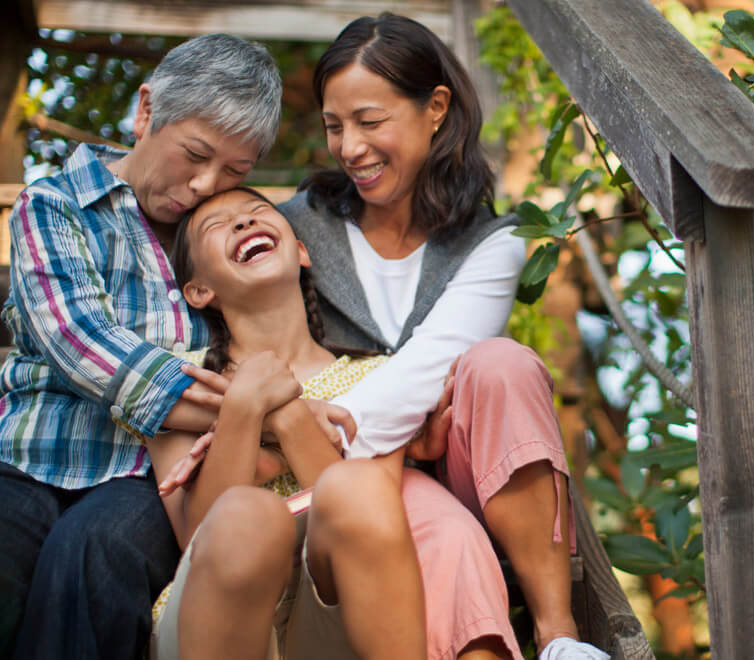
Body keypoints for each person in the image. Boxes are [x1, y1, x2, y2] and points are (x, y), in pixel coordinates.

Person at [277, 13, 611, 660]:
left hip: (457, 468)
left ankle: (558, 636)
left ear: (435, 109)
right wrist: (401, 437)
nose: (349, 148)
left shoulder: (493, 243)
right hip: (346, 487)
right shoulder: (300, 228)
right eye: (334, 126)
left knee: (501, 364)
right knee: (435, 524)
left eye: (370, 122)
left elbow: (434, 364)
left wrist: (358, 417)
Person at [0, 34, 281, 659]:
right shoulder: (55, 204)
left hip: (147, 472)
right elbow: (80, 342)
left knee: (98, 552)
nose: (205, 185)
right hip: (27, 456)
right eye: (195, 154)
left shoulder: (213, 238)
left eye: (235, 172)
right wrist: (257, 411)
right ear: (147, 111)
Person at [150, 186, 520, 660]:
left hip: (329, 610)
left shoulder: (382, 380)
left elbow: (364, 519)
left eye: (258, 212)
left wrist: (285, 412)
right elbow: (197, 532)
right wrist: (244, 402)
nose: (243, 222)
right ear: (200, 290)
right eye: (217, 226)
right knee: (249, 517)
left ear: (301, 251)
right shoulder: (181, 379)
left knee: (361, 485)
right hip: (216, 616)